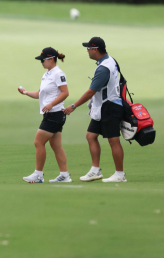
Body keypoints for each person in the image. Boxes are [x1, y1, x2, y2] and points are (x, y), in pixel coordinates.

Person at [63, 37, 127, 183]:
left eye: (88, 49)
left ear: (95, 49)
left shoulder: (104, 68)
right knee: (91, 136)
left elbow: (91, 92)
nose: (87, 51)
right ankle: (95, 170)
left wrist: (73, 106)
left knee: (113, 140)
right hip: (103, 107)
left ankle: (120, 174)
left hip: (110, 106)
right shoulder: (110, 60)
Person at [19, 47, 71, 183]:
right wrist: (26, 93)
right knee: (56, 146)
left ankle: (38, 174)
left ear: (51, 59)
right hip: (51, 114)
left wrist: (52, 104)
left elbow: (65, 93)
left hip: (55, 114)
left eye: (43, 60)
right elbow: (40, 94)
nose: (41, 62)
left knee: (38, 142)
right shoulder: (47, 74)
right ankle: (64, 175)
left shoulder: (58, 74)